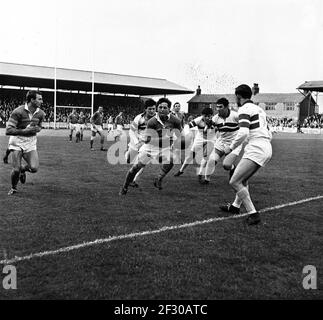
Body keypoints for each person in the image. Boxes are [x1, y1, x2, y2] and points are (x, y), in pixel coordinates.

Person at [220, 84, 272, 226]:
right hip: (265, 146)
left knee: (234, 181)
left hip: (256, 147)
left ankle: (253, 213)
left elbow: (243, 132)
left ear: (238, 96)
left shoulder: (244, 108)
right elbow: (269, 132)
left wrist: (230, 148)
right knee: (243, 179)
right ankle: (235, 207)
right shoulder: (259, 109)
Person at [119, 98, 182, 195]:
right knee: (135, 168)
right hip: (149, 147)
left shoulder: (176, 120)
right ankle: (125, 187)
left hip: (164, 148)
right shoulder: (151, 121)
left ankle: (158, 178)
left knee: (172, 159)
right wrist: (165, 139)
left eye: (164, 107)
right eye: (160, 107)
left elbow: (179, 135)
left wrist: (176, 142)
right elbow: (148, 140)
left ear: (169, 109)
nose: (161, 109)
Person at [5, 90, 46, 195]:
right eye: (39, 99)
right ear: (32, 100)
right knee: (15, 170)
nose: (42, 101)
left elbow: (40, 126)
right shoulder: (18, 112)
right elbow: (8, 130)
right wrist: (24, 131)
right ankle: (14, 188)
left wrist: (37, 129)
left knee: (34, 168)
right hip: (17, 141)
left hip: (30, 142)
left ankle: (23, 170)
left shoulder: (41, 113)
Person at [201, 98, 242, 184]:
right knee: (212, 159)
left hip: (234, 144)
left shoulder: (235, 115)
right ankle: (206, 180)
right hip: (221, 142)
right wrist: (206, 128)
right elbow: (208, 127)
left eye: (220, 107)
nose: (218, 109)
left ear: (227, 107)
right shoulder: (216, 118)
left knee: (226, 165)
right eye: (217, 107)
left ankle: (232, 168)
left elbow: (244, 127)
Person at [173, 107, 216, 182]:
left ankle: (200, 173)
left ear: (212, 115)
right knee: (190, 156)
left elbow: (209, 132)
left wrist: (209, 126)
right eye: (205, 116)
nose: (207, 118)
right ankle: (181, 170)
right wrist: (186, 135)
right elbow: (187, 126)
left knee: (206, 156)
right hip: (199, 138)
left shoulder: (215, 121)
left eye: (209, 116)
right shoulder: (198, 120)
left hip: (211, 138)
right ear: (202, 115)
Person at [124, 99, 157, 187]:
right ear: (145, 109)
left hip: (148, 144)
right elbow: (131, 131)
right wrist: (136, 142)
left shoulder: (158, 119)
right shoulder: (139, 118)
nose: (152, 111)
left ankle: (133, 180)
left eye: (154, 109)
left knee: (142, 163)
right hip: (137, 142)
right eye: (150, 109)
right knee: (129, 160)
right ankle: (127, 153)